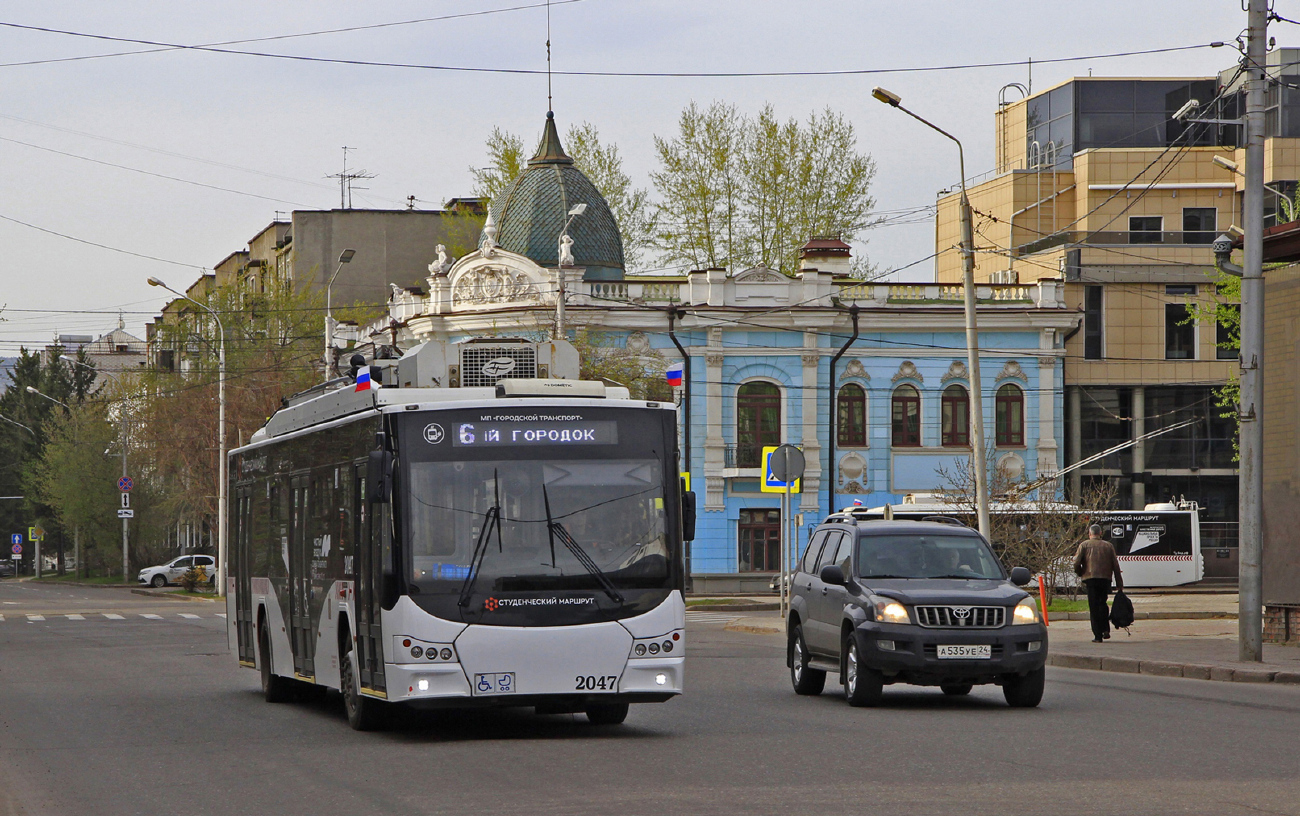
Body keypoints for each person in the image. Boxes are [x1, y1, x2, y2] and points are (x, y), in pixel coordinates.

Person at [1073, 524, 1124, 643]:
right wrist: (1119, 583)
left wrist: (1080, 572)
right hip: (1105, 579)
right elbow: (1116, 566)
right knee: (1103, 604)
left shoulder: (1084, 545)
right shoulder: (1108, 546)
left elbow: (1076, 562)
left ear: (1089, 534)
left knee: (1094, 607)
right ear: (1100, 533)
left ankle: (1098, 635)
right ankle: (1106, 629)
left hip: (1090, 579)